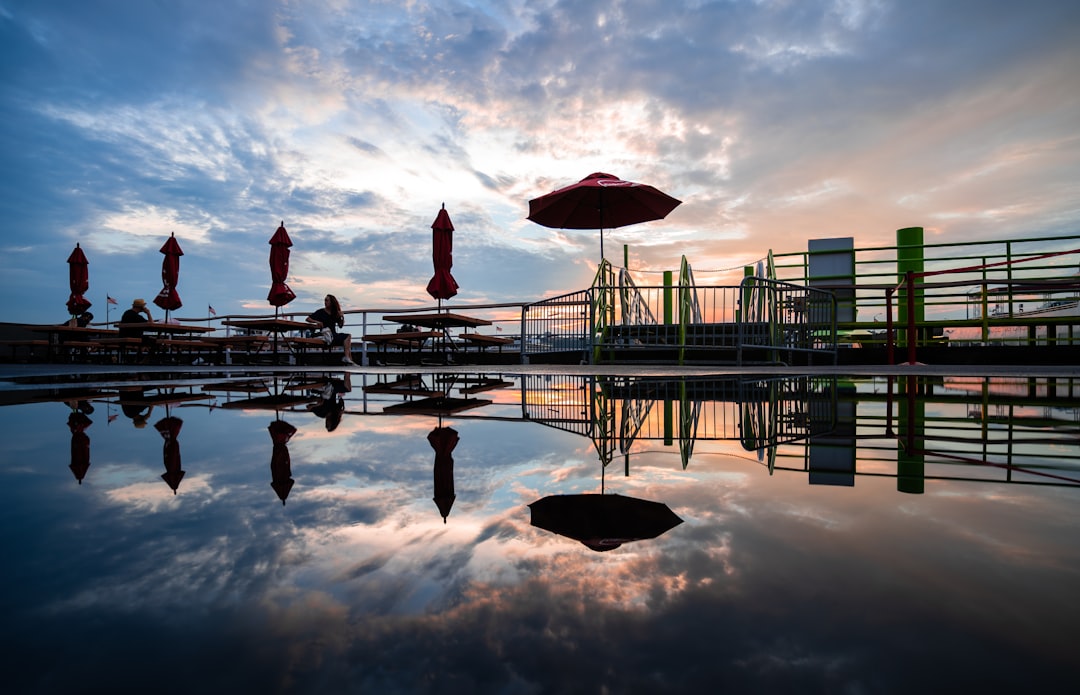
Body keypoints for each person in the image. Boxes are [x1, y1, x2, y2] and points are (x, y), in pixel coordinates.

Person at [306, 294, 355, 365]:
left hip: (333, 334)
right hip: (325, 334)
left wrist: (341, 318)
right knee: (347, 338)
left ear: (332, 302)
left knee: (347, 337)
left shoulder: (334, 313)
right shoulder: (321, 312)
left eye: (327, 300)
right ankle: (348, 359)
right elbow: (308, 319)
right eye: (325, 300)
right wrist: (317, 322)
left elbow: (340, 326)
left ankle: (348, 359)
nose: (325, 302)